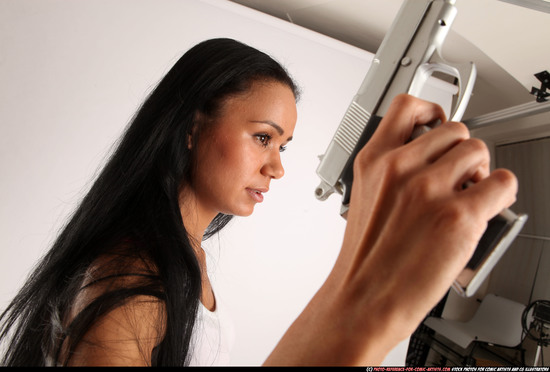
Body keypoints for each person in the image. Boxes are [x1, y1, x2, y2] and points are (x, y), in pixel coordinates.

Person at [0, 38, 517, 366]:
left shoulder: (186, 257)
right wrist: (371, 300)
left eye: (283, 146)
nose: (277, 167)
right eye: (263, 138)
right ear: (191, 126)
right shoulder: (131, 283)